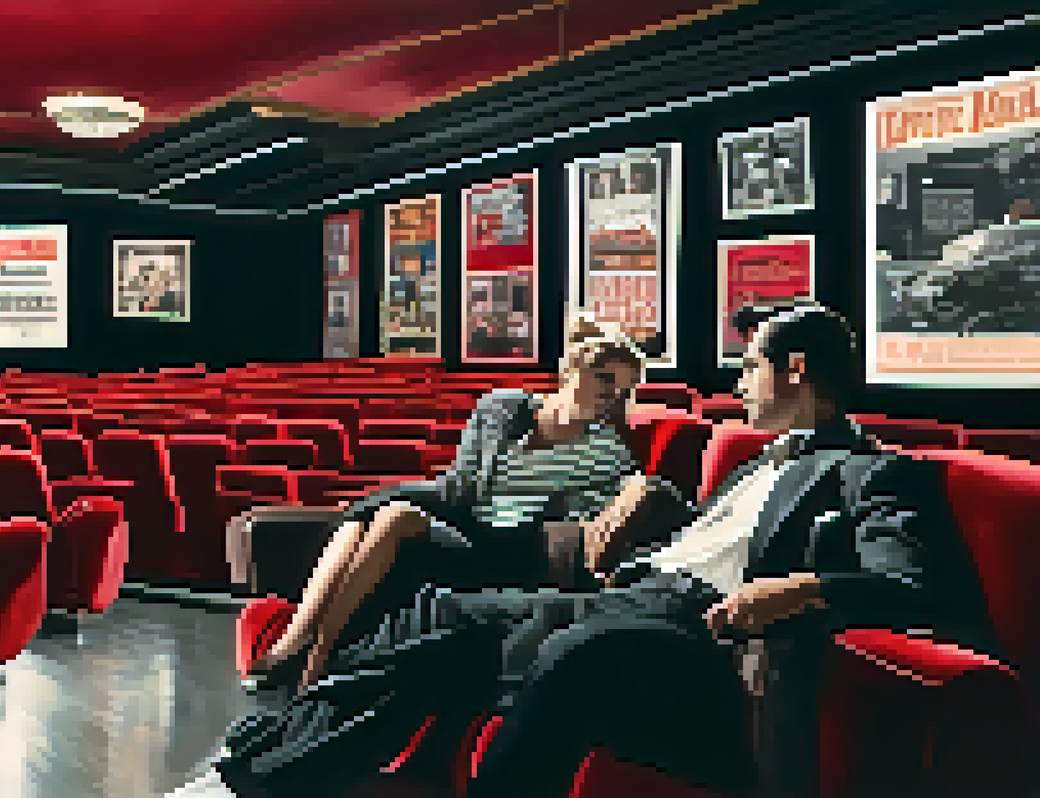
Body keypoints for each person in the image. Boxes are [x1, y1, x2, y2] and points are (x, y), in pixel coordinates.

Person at [196, 301, 993, 798]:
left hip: (699, 631)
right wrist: (650, 508)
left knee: (573, 655)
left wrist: (795, 590)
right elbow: (701, 532)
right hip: (627, 592)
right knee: (437, 613)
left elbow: (910, 581)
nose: (740, 382)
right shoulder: (754, 460)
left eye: (752, 365)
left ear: (796, 369)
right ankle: (265, 770)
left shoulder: (877, 471)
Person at [242, 312, 677, 699]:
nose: (611, 395)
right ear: (572, 369)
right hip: (465, 520)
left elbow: (600, 524)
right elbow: (459, 487)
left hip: (509, 549)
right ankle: (294, 642)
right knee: (367, 519)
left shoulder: (608, 453)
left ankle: (317, 655)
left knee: (393, 515)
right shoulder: (501, 409)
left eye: (623, 389)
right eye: (603, 378)